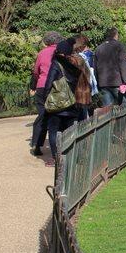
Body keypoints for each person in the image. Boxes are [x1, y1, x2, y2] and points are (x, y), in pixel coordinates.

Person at [42, 38, 83, 167]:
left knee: (54, 131)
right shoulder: (78, 62)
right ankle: (72, 156)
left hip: (58, 105)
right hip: (74, 103)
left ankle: (56, 158)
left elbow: (48, 84)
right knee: (71, 132)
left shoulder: (57, 64)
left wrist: (45, 98)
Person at [29, 31, 62, 156]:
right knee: (58, 114)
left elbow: (36, 72)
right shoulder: (62, 52)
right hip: (57, 86)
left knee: (43, 115)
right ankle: (58, 144)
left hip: (42, 86)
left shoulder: (42, 53)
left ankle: (37, 145)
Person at [94, 28, 126, 106]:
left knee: (108, 112)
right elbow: (124, 66)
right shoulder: (119, 46)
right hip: (118, 83)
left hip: (103, 83)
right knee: (124, 109)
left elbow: (95, 68)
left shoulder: (98, 48)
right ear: (116, 35)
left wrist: (97, 84)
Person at [74, 34, 97, 120]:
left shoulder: (87, 55)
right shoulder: (86, 55)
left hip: (83, 85)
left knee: (84, 111)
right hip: (84, 86)